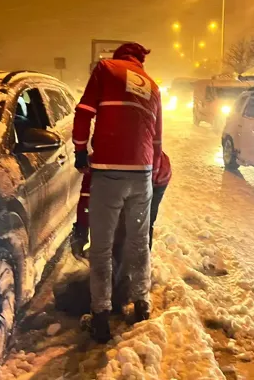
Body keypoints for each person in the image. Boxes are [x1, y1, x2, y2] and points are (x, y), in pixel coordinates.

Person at [72, 42, 162, 343]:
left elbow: (84, 111)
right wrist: (150, 168)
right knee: (138, 243)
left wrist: (80, 150)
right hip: (144, 172)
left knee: (102, 246)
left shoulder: (105, 69)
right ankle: (141, 304)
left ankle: (100, 316)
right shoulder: (153, 85)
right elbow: (158, 140)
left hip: (109, 170)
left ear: (119, 56)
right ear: (140, 61)